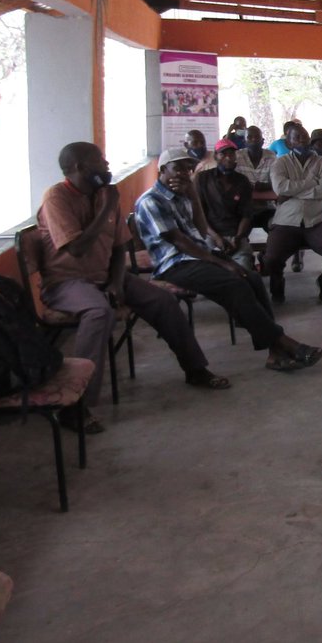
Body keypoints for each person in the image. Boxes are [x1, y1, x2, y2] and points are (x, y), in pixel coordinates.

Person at [37, 143, 229, 433]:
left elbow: (118, 249)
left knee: (163, 301)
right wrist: (104, 210)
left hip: (106, 275)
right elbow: (76, 248)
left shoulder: (104, 195)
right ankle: (76, 406)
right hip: (67, 281)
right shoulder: (57, 197)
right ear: (78, 167)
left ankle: (195, 369)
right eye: (99, 161)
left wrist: (116, 283)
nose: (106, 164)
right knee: (99, 312)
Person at [133, 147, 322, 372]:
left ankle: (275, 353)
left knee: (251, 278)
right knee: (235, 284)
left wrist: (193, 194)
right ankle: (283, 343)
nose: (183, 173)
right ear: (163, 170)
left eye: (187, 168)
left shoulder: (183, 195)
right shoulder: (151, 201)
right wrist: (220, 262)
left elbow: (201, 228)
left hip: (197, 256)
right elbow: (180, 243)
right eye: (177, 168)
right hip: (174, 265)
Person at [264, 125, 322, 304]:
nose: (302, 141)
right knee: (271, 258)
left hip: (317, 220)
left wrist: (292, 192)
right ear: (288, 142)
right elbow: (280, 188)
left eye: (304, 138)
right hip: (287, 221)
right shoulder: (280, 163)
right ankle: (277, 285)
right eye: (297, 138)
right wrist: (312, 183)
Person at [195, 138, 255, 272]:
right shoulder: (203, 179)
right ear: (216, 156)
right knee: (210, 268)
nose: (228, 158)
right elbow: (199, 214)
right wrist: (216, 237)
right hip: (210, 233)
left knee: (243, 268)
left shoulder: (242, 181)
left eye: (232, 154)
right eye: (223, 154)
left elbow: (247, 215)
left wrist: (238, 238)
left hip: (235, 234)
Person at [235, 125, 277, 230]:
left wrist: (262, 186)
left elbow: (277, 182)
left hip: (267, 207)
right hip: (242, 208)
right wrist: (262, 186)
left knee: (276, 228)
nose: (253, 140)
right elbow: (234, 183)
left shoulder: (271, 156)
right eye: (249, 137)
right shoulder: (237, 157)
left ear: (262, 141)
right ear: (244, 141)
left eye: (257, 137)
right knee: (239, 232)